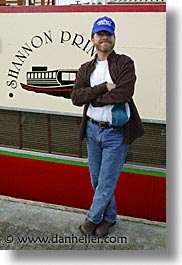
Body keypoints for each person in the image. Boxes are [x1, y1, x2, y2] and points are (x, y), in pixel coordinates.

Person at [71, 16, 144, 238]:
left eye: (109, 34)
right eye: (100, 34)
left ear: (114, 39)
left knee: (106, 181)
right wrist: (102, 88)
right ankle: (109, 218)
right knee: (97, 180)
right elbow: (75, 96)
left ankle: (91, 220)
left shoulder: (124, 63)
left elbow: (124, 93)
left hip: (116, 133)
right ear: (92, 38)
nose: (105, 38)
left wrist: (93, 98)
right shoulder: (86, 68)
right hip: (93, 131)